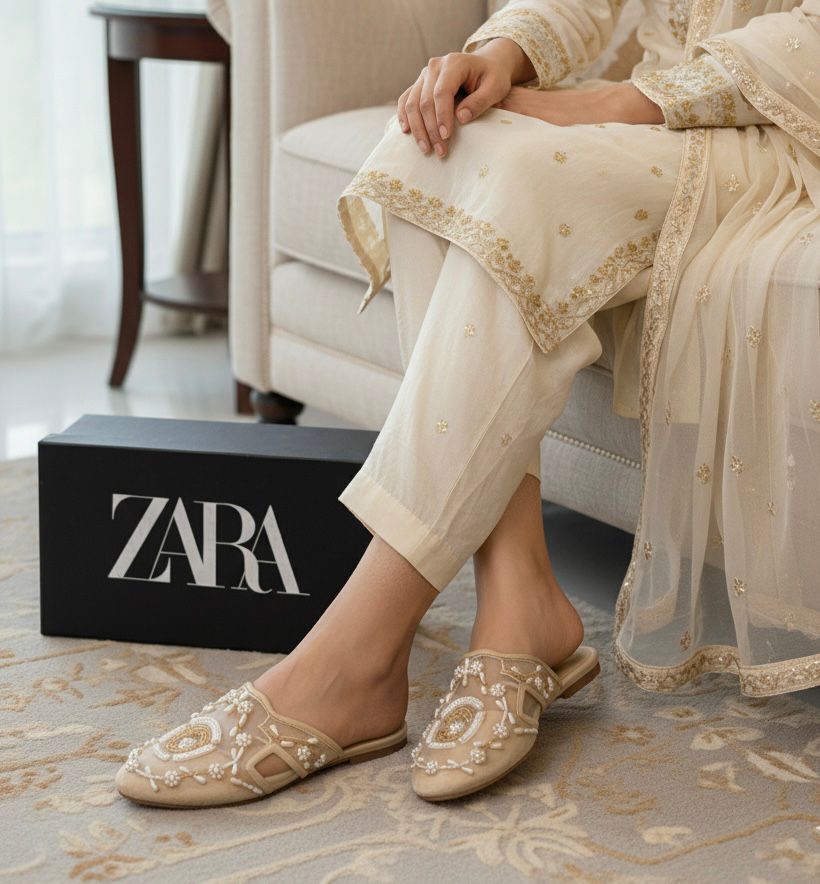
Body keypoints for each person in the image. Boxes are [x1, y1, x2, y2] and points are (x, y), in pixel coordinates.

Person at [115, 0, 820, 808]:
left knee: (526, 176)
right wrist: (504, 52)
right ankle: (520, 598)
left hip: (780, 126)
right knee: (437, 141)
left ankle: (356, 659)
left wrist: (619, 102)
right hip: (662, 113)